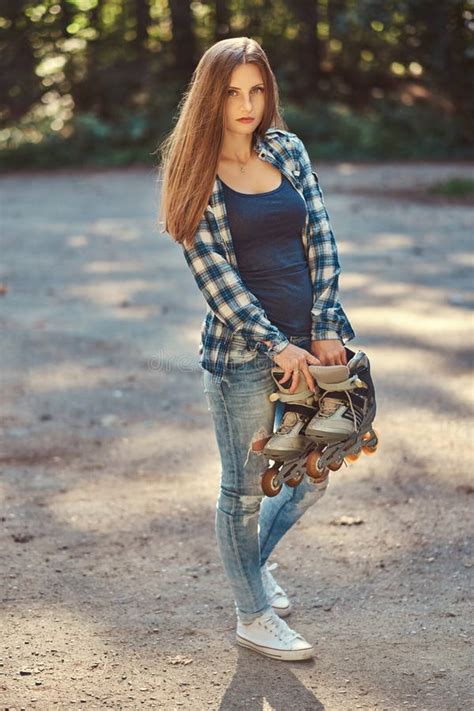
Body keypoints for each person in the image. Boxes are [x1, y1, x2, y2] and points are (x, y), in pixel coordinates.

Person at [158, 36, 355, 662]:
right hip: (242, 358)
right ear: (209, 99)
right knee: (243, 491)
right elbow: (216, 277)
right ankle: (252, 612)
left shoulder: (288, 151)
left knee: (312, 477)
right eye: (232, 92)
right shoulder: (196, 173)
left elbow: (321, 239)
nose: (246, 104)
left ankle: (251, 567)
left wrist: (324, 328)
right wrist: (275, 345)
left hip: (313, 348)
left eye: (257, 89)